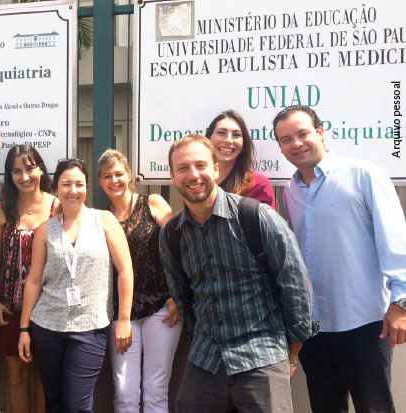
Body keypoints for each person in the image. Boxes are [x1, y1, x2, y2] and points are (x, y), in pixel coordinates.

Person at [159, 135, 314, 413]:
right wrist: (202, 337)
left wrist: (291, 347)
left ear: (216, 169)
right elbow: (182, 296)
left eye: (201, 165)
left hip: (261, 353)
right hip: (206, 358)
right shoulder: (172, 234)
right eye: (183, 168)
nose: (193, 175)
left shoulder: (255, 217)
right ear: (172, 176)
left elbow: (295, 284)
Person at [274, 105, 406, 412]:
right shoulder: (290, 192)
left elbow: (396, 242)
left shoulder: (364, 175)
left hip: (364, 322)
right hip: (315, 327)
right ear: (280, 146)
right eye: (286, 139)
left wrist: (401, 302)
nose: (296, 143)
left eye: (303, 133)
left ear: (320, 132)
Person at [17, 159, 134, 413]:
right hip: (47, 326)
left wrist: (124, 319)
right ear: (56, 189)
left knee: (76, 406)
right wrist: (24, 328)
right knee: (54, 402)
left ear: (87, 187)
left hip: (90, 328)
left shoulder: (104, 221)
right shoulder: (45, 230)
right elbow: (34, 281)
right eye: (66, 184)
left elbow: (125, 270)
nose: (73, 190)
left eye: (79, 184)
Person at [97, 149, 181, 413]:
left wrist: (180, 295)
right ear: (99, 182)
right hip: (122, 314)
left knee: (156, 389)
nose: (114, 180)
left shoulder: (153, 203)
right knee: (124, 391)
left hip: (162, 309)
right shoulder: (101, 218)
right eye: (107, 176)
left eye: (119, 174)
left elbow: (179, 249)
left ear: (129, 175)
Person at [0, 145, 58, 413]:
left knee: (44, 378)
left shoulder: (56, 205)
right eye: (17, 171)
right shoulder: (1, 210)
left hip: (48, 308)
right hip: (10, 307)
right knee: (16, 377)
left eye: (30, 168)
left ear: (41, 169)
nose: (24, 176)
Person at [205, 110, 275, 208]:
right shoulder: (199, 181)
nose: (229, 140)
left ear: (243, 145)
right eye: (221, 133)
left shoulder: (258, 184)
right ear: (208, 139)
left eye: (236, 135)